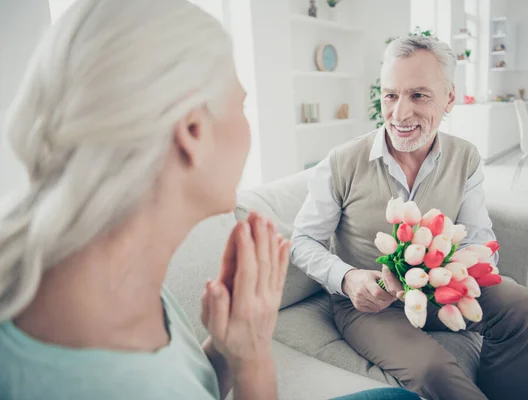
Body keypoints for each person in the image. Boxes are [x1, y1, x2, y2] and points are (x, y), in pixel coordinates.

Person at [0, 1, 420, 399]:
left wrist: (226, 346)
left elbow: (187, 387)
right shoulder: (98, 379)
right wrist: (253, 360)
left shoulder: (106, 267)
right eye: (240, 105)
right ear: (193, 131)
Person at [291, 36, 528, 400]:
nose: (400, 114)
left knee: (522, 306)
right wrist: (347, 279)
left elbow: (479, 240)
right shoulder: (341, 161)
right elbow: (302, 241)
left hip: (444, 290)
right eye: (391, 95)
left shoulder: (465, 157)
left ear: (450, 98)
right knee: (433, 369)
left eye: (419, 96)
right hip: (371, 308)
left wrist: (458, 275)